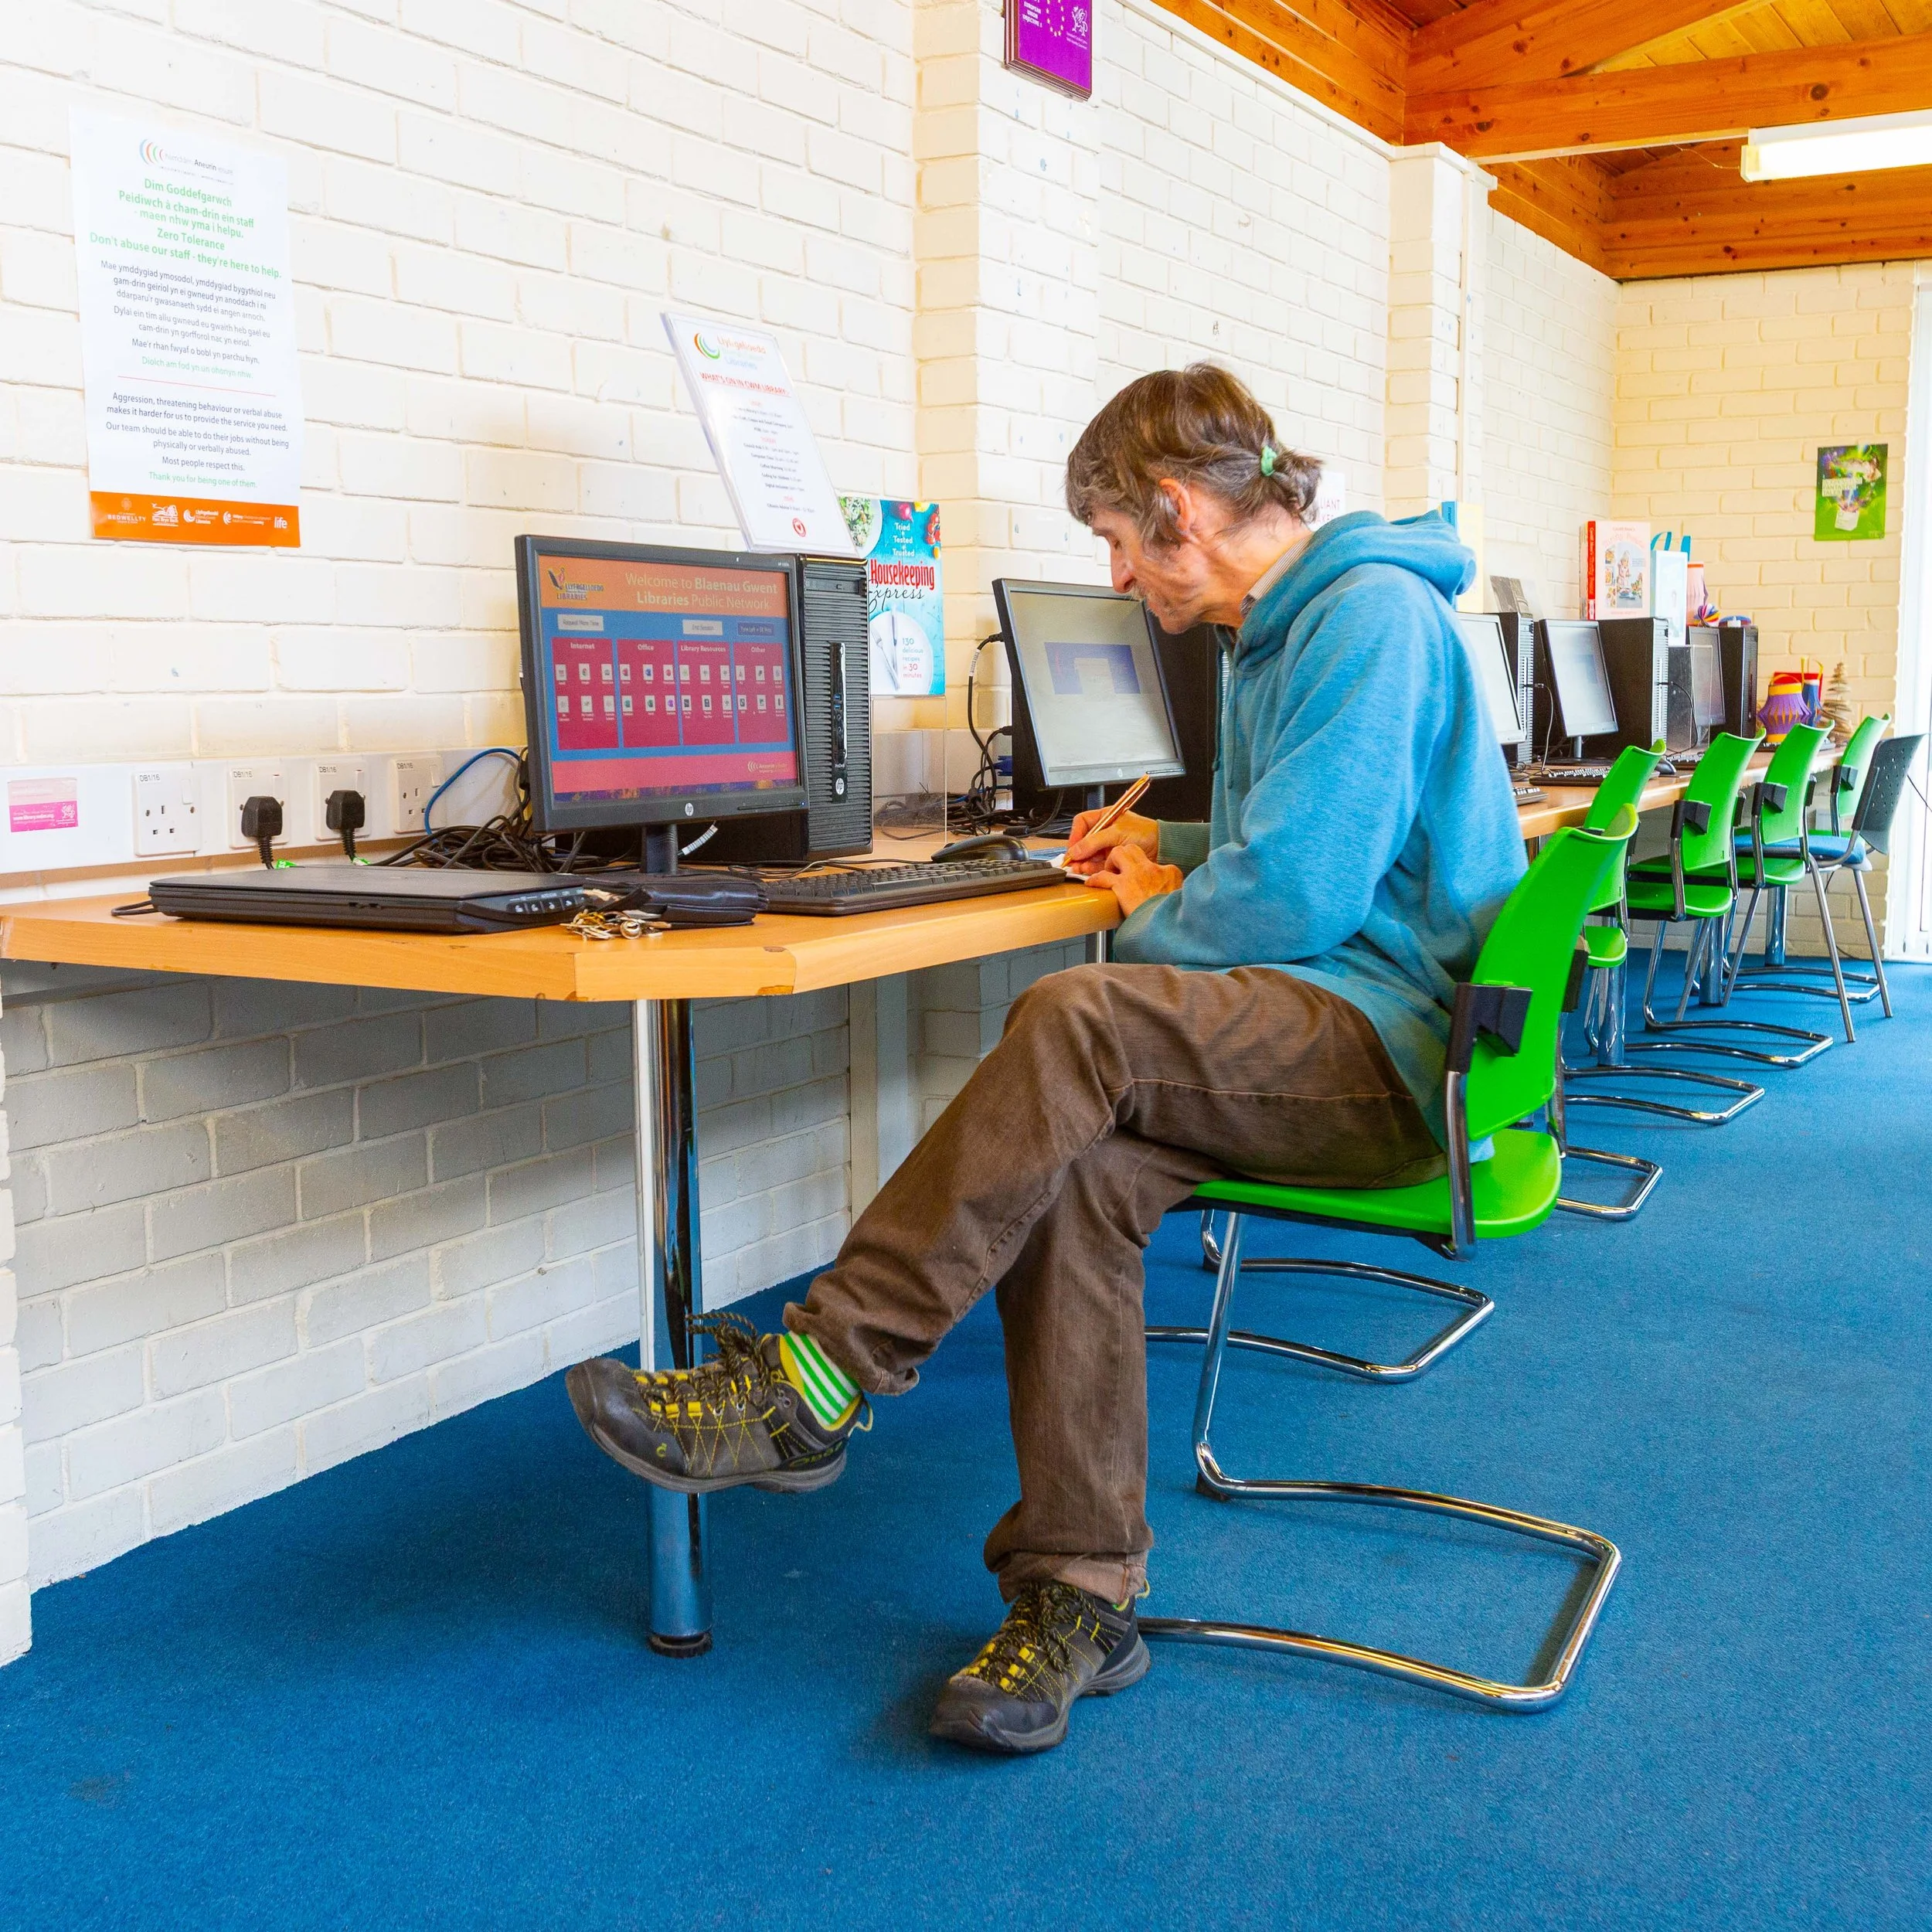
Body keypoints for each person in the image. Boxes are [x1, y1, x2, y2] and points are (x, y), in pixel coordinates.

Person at [566, 364, 1527, 1756]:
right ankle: (1079, 1592)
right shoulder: (1295, 625)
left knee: (1081, 1016)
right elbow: (1316, 856)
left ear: (1181, 509)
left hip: (1387, 1051)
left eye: (1118, 542)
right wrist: (1173, 856)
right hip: (1331, 1013)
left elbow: (1310, 900)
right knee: (1075, 1168)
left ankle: (818, 1383)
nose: (1123, 577)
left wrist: (1148, 915)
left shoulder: (1367, 620)